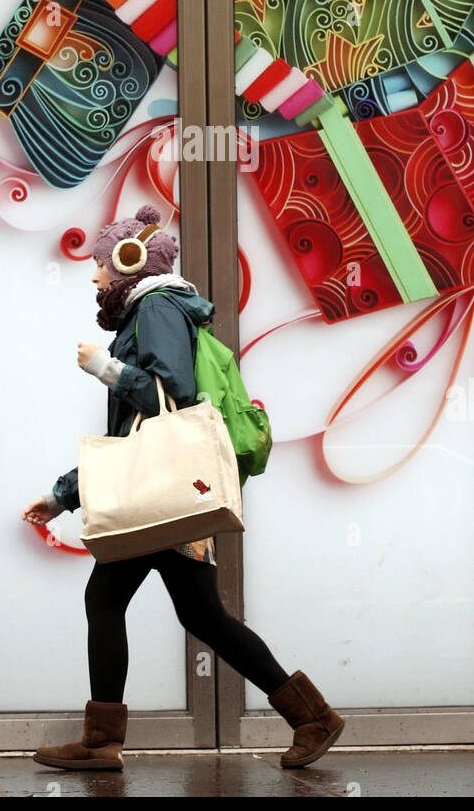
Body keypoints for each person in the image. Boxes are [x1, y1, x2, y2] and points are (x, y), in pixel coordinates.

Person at [22, 203, 345, 772]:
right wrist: (61, 495)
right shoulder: (149, 312)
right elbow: (134, 439)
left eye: (101, 261)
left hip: (163, 493)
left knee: (109, 599)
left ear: (130, 261)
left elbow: (171, 403)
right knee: (202, 616)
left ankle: (102, 743)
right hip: (171, 492)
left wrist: (105, 367)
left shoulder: (157, 308)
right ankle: (311, 717)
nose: (94, 272)